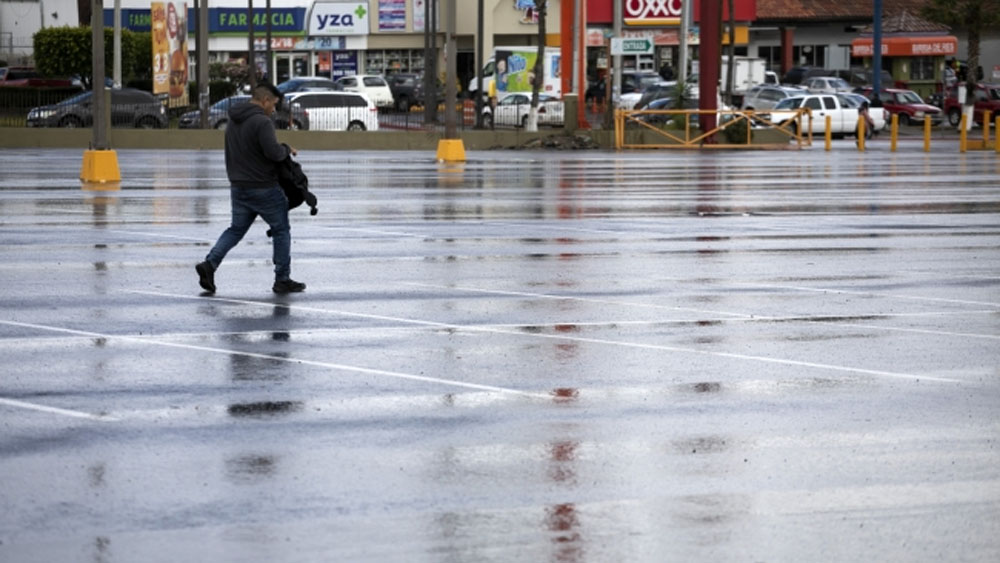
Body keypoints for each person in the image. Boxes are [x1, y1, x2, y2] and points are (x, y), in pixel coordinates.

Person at [196, 83, 305, 294]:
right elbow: (273, 153)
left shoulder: (233, 121)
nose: (273, 109)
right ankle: (282, 279)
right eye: (273, 104)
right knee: (281, 230)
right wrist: (286, 148)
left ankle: (209, 265)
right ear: (264, 100)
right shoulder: (261, 122)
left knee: (235, 229)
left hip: (238, 187)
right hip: (263, 187)